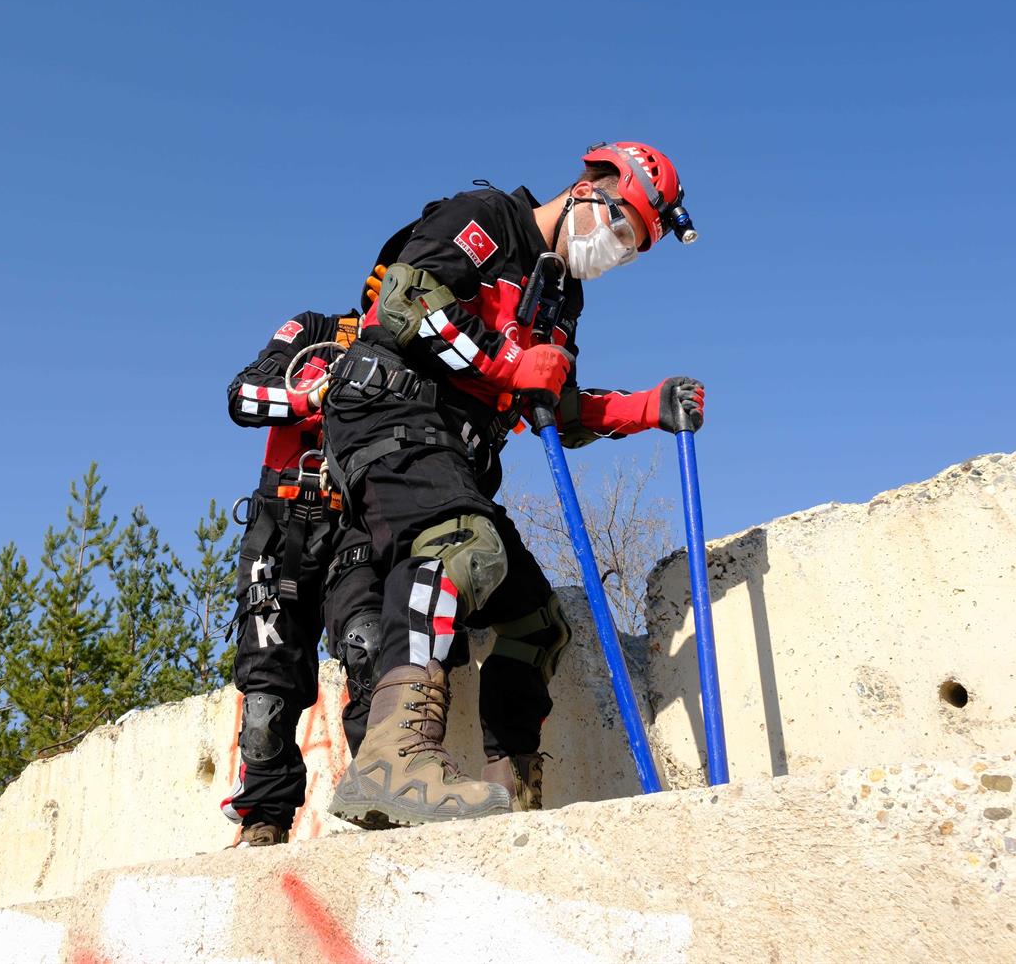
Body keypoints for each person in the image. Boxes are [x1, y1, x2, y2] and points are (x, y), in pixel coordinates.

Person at [321, 141, 706, 828]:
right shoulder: (489, 217)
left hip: (453, 452)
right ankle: (393, 759)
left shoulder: (563, 295)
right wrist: (507, 363)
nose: (616, 249)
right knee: (464, 543)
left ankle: (509, 797)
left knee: (535, 622)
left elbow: (551, 404)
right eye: (620, 226)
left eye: (633, 246)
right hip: (389, 411)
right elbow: (409, 302)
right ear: (590, 186)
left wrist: (647, 407)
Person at [219, 309, 388, 846]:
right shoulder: (316, 331)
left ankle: (383, 793)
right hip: (280, 523)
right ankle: (263, 820)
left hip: (357, 523)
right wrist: (311, 395)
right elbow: (243, 394)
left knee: (369, 643)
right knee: (265, 700)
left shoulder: (422, 352)